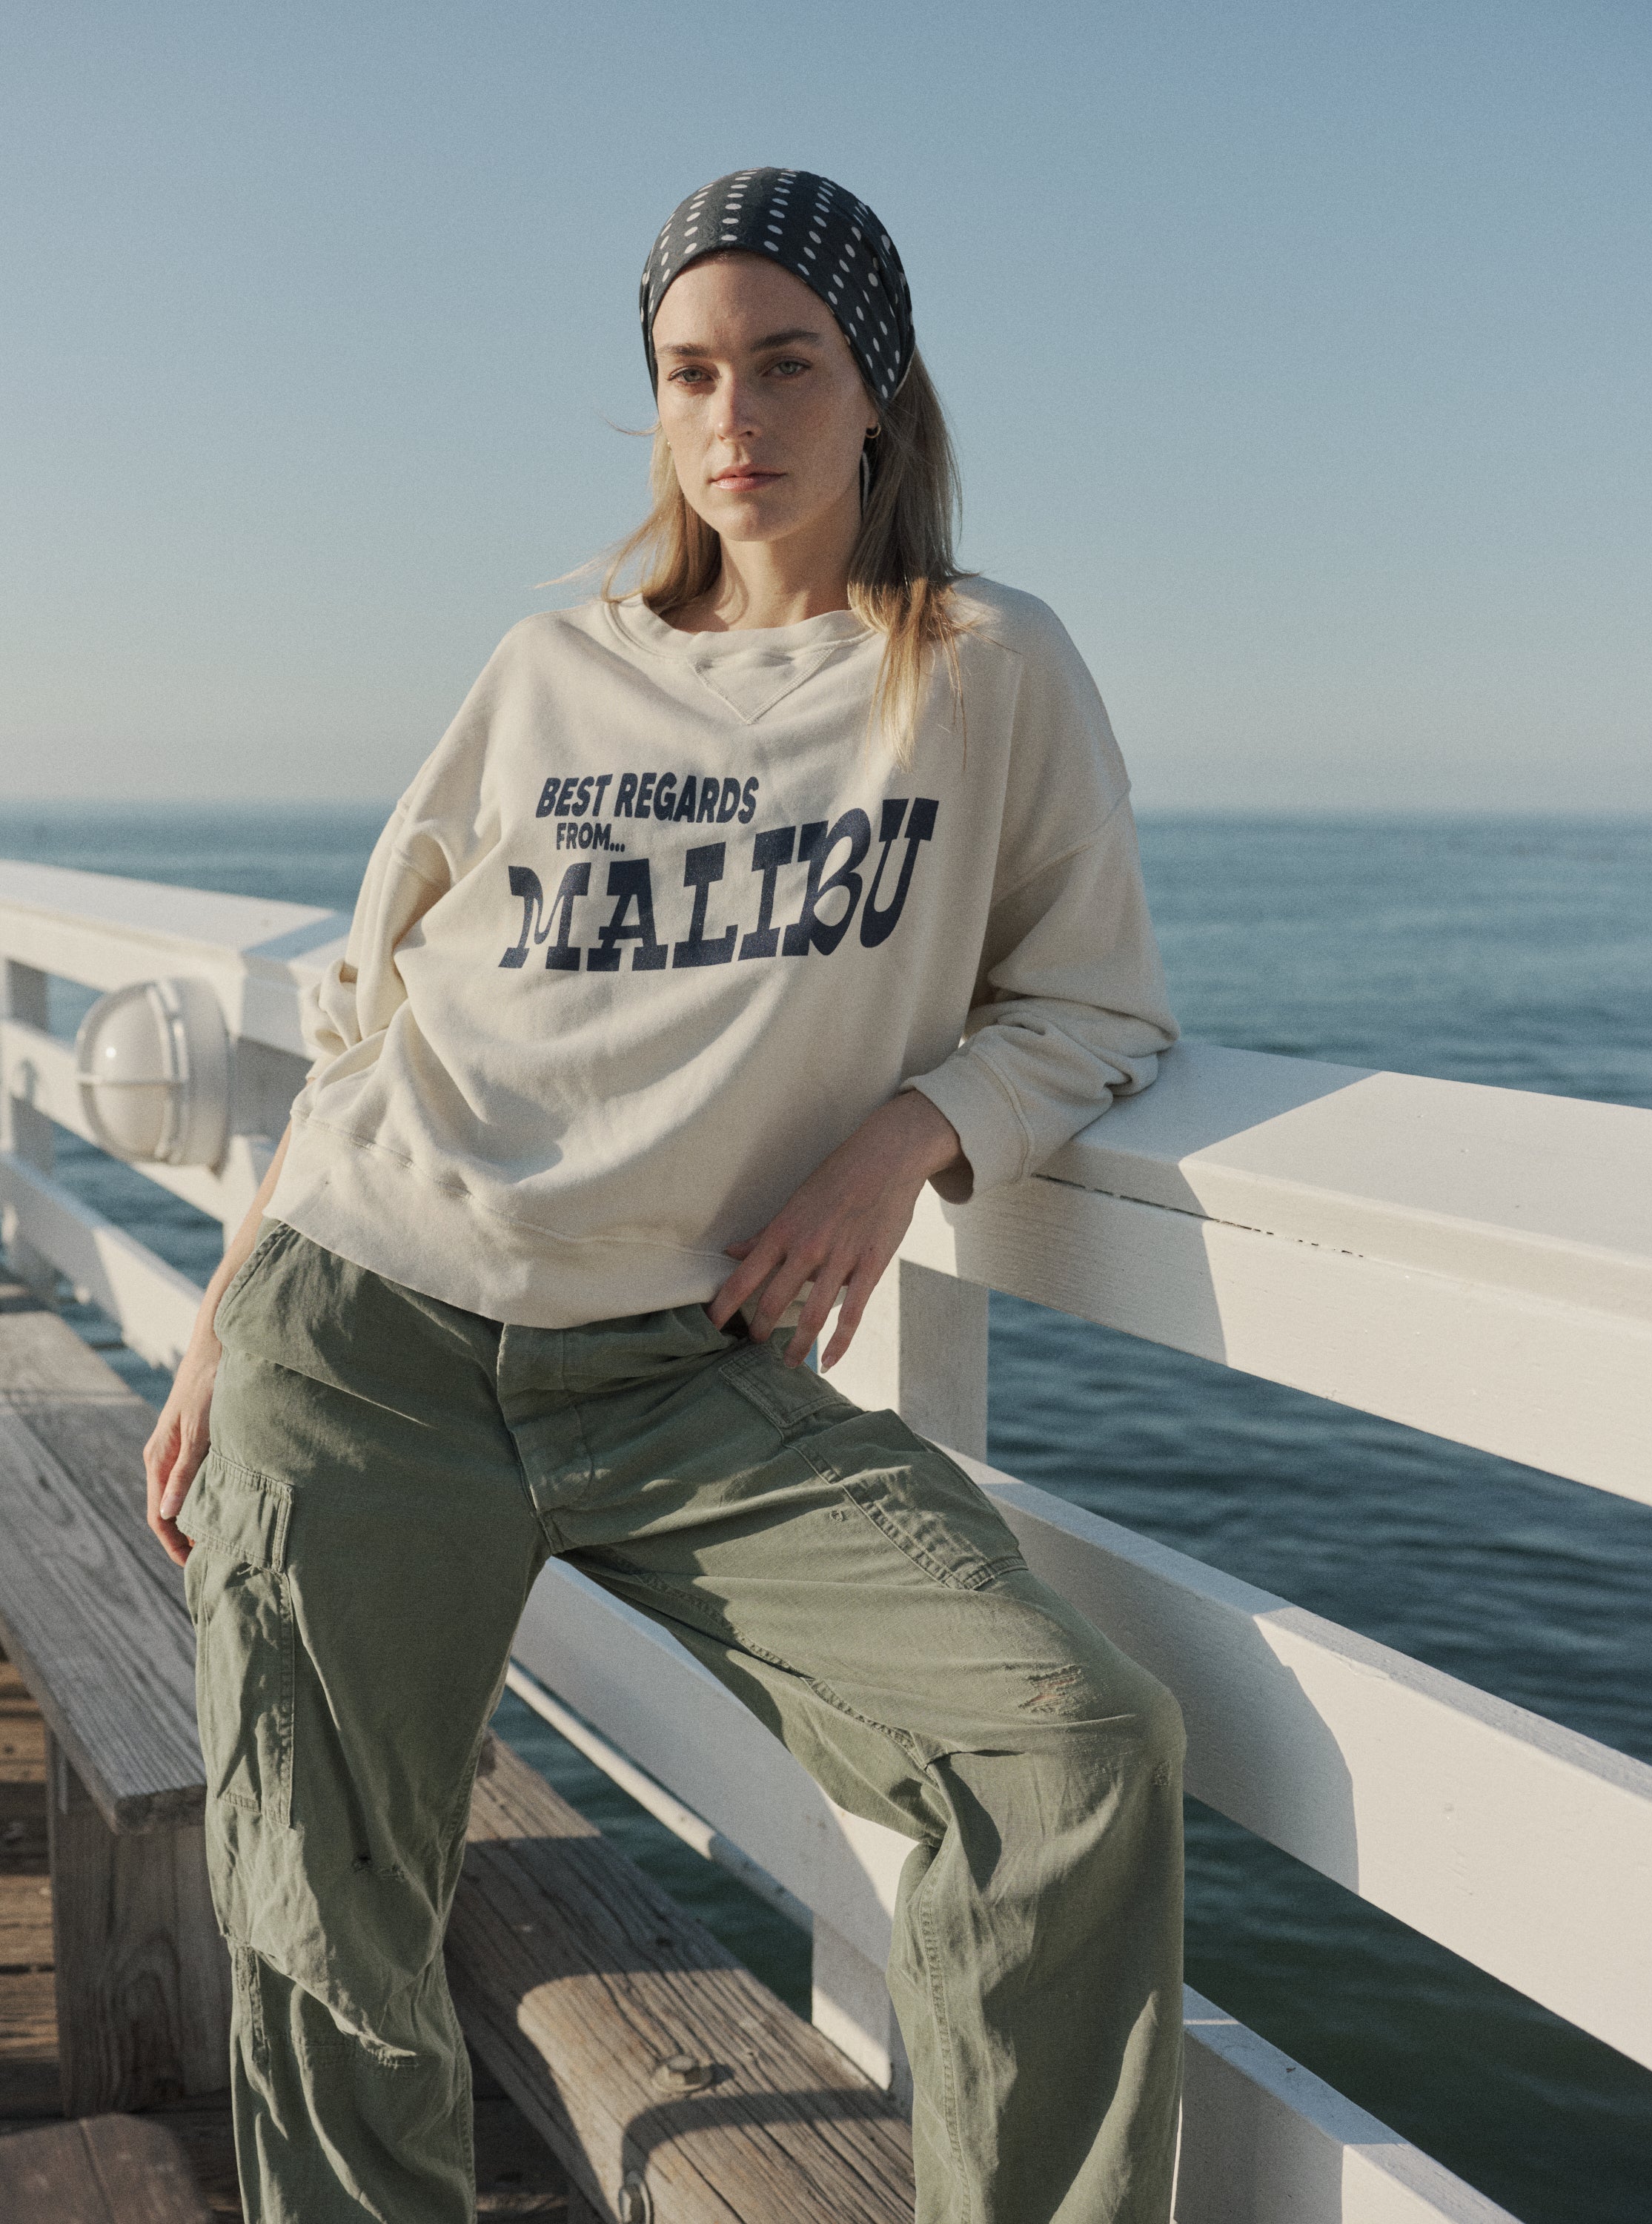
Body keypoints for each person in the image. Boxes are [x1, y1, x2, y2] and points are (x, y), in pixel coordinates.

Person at [144, 167, 1185, 2224]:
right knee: (322, 1921)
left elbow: (1090, 1003)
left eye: (785, 365)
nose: (737, 421)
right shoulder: (549, 663)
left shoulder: (980, 671)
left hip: (684, 1368)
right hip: (363, 1333)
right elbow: (372, 1028)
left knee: (1069, 1750)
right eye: (689, 373)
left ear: (875, 387)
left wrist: (906, 1135)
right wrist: (217, 1338)